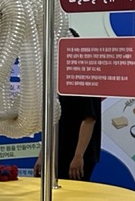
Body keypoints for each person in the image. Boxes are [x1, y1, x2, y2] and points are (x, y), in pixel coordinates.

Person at [34, 32, 102, 181]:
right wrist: (42, 155)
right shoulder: (57, 80)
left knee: (74, 193)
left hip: (78, 154)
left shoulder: (87, 78)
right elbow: (52, 122)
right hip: (58, 152)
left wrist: (78, 156)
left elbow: (89, 120)